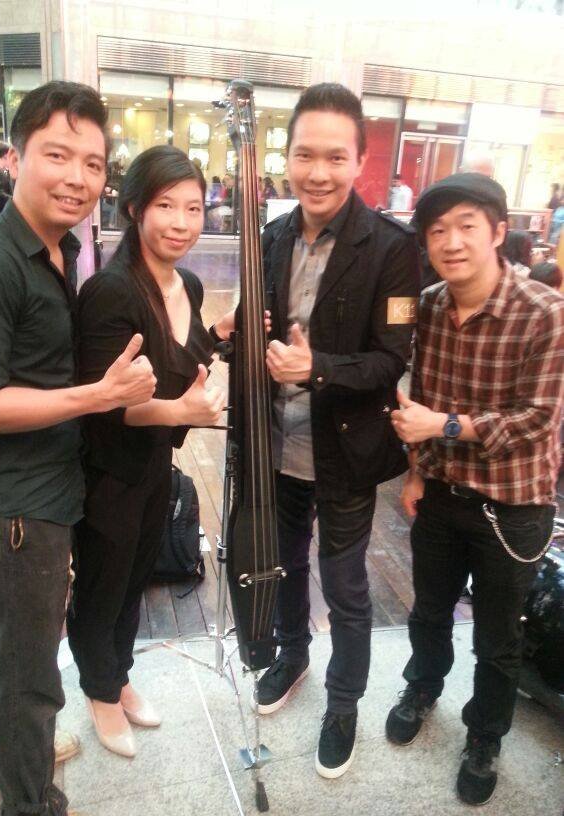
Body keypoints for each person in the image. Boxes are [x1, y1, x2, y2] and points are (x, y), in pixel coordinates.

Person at [0, 81, 156, 816]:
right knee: (33, 681)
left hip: (42, 490)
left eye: (93, 163)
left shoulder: (59, 250)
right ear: (15, 158)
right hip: (15, 507)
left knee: (14, 647)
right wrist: (96, 396)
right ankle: (31, 803)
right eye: (57, 155)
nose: (77, 177)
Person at [213, 82, 420, 779]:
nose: (319, 172)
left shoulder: (391, 247)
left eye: (336, 157)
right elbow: (258, 333)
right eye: (305, 154)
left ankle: (344, 704)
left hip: (347, 452)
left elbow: (390, 359)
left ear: (359, 161)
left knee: (347, 585)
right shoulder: (271, 237)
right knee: (284, 563)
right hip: (275, 447)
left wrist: (316, 366)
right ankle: (294, 655)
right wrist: (239, 339)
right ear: (288, 157)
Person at [386, 172, 563, 806]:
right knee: (428, 610)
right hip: (441, 493)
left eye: (467, 226)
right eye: (437, 230)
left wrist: (445, 426)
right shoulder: (430, 305)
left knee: (498, 635)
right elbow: (420, 395)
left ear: (497, 232)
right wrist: (416, 469)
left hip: (514, 506)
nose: (452, 241)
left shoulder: (545, 312)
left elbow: (537, 417)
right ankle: (423, 686)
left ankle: (485, 735)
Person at [67, 145, 225, 758]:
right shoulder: (111, 291)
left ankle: (119, 675)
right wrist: (183, 412)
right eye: (165, 206)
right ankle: (99, 691)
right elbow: (107, 405)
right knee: (103, 584)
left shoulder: (188, 283)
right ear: (134, 209)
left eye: (193, 207)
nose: (181, 222)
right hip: (108, 470)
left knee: (136, 579)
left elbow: (183, 356)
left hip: (155, 466)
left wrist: (221, 337)